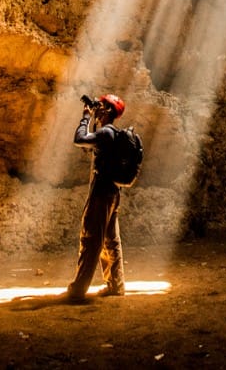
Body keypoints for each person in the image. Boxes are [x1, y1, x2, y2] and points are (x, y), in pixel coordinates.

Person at [65, 93, 127, 302]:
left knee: (91, 239)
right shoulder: (113, 134)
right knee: (111, 240)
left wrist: (85, 118)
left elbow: (79, 139)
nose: (96, 108)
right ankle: (115, 285)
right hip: (112, 193)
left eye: (100, 106)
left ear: (108, 111)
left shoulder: (106, 133)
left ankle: (78, 289)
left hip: (101, 194)